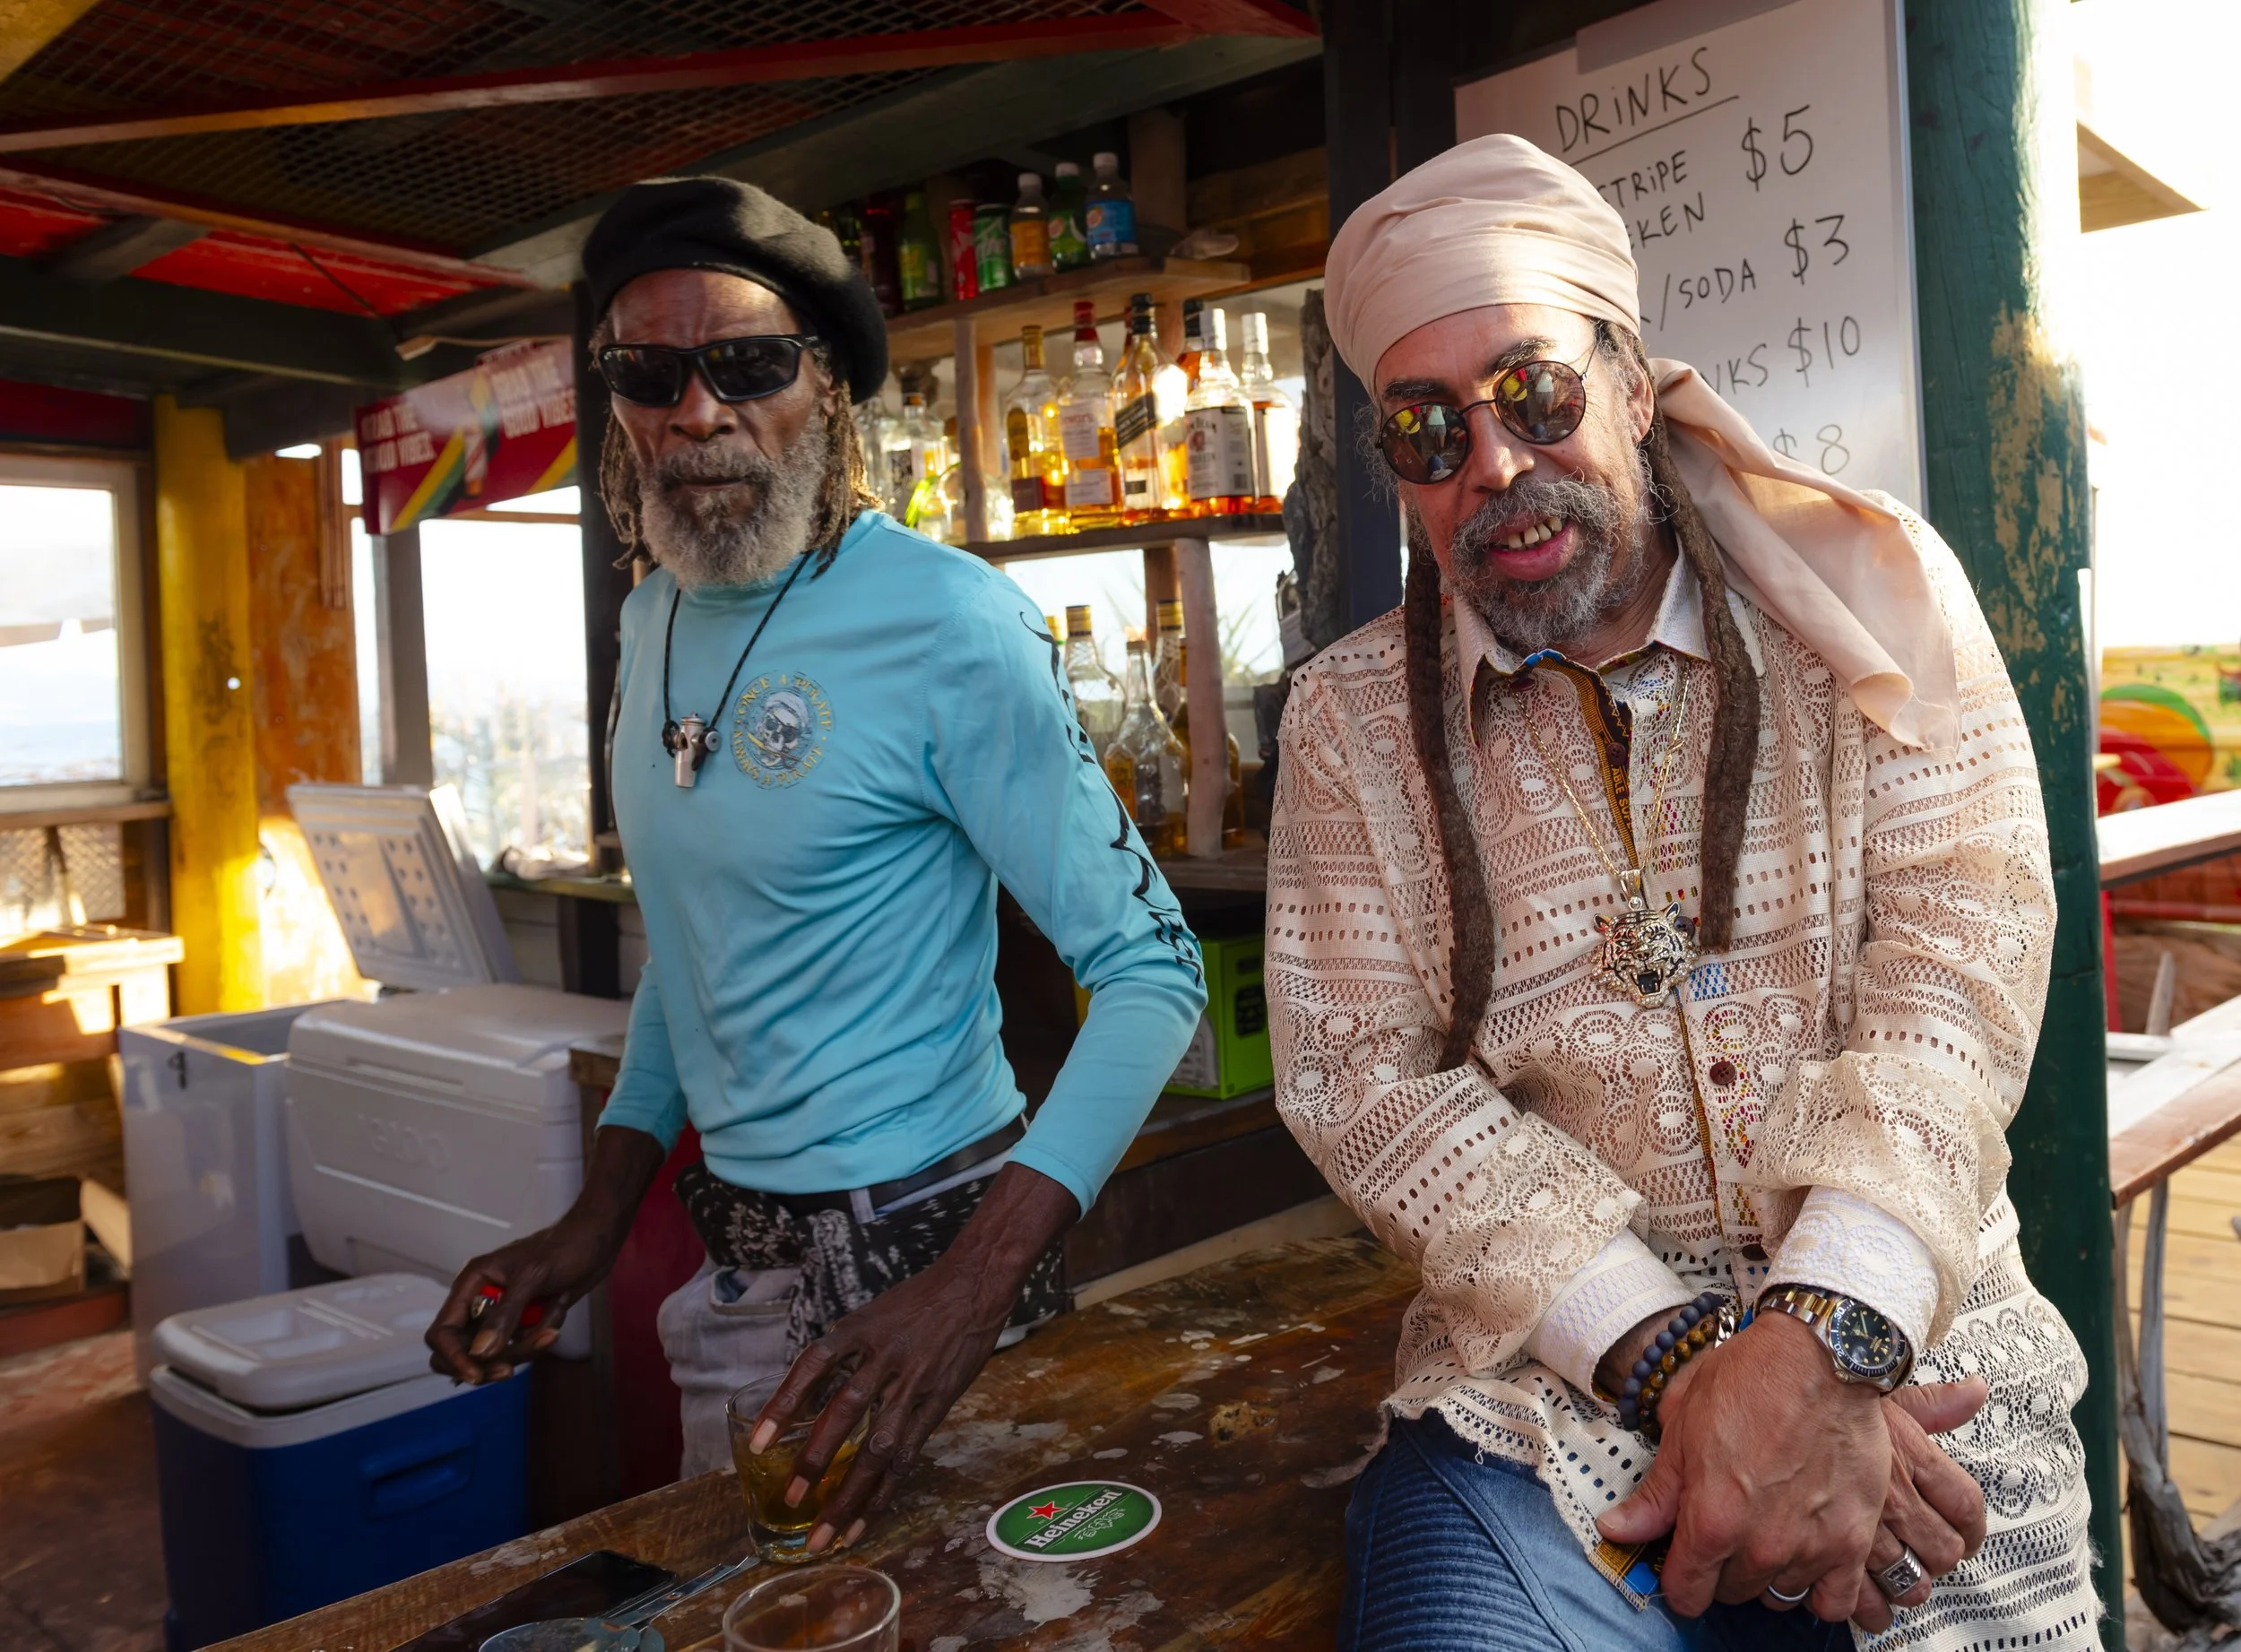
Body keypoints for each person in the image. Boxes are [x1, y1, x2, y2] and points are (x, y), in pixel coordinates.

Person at [1267, 135, 2096, 1651]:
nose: (1495, 466)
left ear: (1636, 385)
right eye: (1429, 429)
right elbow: (1362, 1080)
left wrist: (1823, 1339)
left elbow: (1959, 969)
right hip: (1550, 1390)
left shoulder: (1873, 601)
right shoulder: (1346, 722)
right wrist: (1690, 1361)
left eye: (1535, 393)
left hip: (1919, 1349)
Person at [427, 177, 1207, 1557]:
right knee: (777, 1610)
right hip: (738, 1261)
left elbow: (1153, 971)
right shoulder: (652, 624)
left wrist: (969, 1291)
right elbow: (696, 939)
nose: (700, 411)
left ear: (830, 387)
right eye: (650, 374)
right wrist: (597, 1215)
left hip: (934, 1257)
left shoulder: (950, 622)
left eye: (749, 363)